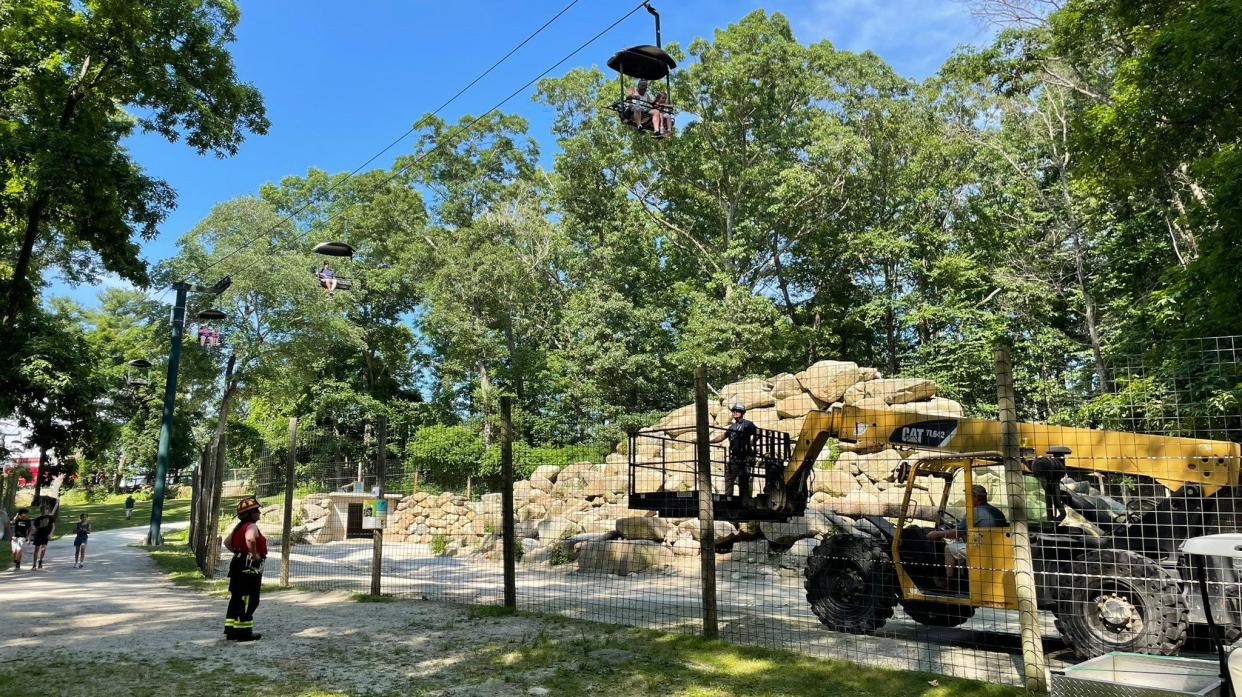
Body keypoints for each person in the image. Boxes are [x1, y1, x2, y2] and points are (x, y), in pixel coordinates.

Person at [927, 484, 1008, 581]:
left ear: (976, 498)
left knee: (949, 548)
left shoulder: (973, 512)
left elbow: (955, 534)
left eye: (968, 497)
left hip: (981, 550)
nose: (966, 500)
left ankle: (948, 582)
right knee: (960, 545)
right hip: (997, 549)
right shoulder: (996, 511)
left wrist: (936, 534)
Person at [224, 496, 268, 642]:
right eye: (256, 510)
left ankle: (231, 630)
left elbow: (227, 542)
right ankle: (244, 632)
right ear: (249, 514)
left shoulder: (238, 527)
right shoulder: (251, 526)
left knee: (236, 597)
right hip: (249, 566)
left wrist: (239, 553)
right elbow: (250, 539)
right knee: (249, 598)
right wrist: (254, 555)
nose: (259, 513)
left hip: (237, 564)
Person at [710, 403, 757, 498]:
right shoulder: (732, 427)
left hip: (745, 457)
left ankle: (744, 502)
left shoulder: (748, 424)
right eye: (734, 411)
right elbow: (723, 436)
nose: (735, 413)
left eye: (737, 411)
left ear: (742, 413)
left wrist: (751, 443)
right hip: (734, 457)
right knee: (729, 478)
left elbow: (758, 432)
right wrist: (709, 441)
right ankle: (729, 498)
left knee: (743, 480)